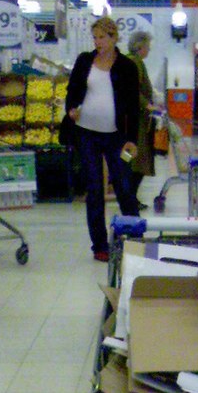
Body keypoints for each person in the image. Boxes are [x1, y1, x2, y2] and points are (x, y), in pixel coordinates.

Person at [65, 16, 140, 263]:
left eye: (102, 37)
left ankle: (134, 238)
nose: (98, 42)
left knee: (124, 186)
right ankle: (99, 245)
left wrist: (133, 140)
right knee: (94, 188)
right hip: (86, 133)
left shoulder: (127, 66)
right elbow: (72, 90)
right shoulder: (85, 61)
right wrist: (71, 109)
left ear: (114, 37)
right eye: (95, 37)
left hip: (117, 137)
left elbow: (132, 106)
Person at [126, 30, 158, 209]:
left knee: (131, 159)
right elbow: (132, 89)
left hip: (133, 120)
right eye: (148, 47)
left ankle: (131, 197)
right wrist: (147, 105)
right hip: (136, 121)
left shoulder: (132, 61)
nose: (149, 50)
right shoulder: (134, 62)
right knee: (138, 160)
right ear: (140, 47)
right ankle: (129, 198)